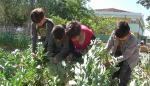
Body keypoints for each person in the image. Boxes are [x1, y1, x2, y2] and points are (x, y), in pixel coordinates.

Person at [105, 21, 139, 86]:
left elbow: (126, 56)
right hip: (117, 54)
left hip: (129, 59)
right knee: (113, 73)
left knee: (123, 75)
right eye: (118, 38)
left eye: (122, 38)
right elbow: (108, 45)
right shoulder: (114, 33)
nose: (119, 39)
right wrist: (103, 55)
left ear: (128, 33)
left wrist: (112, 61)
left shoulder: (133, 40)